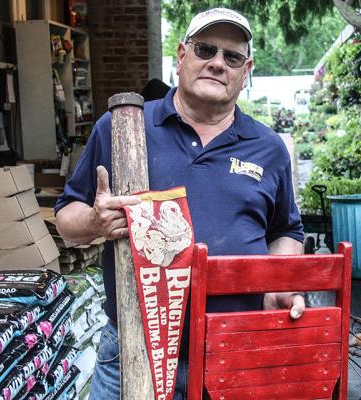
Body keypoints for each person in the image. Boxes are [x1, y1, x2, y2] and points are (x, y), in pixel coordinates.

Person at [55, 7, 305, 399]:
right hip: (132, 353)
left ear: (246, 69)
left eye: (232, 56)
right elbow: (66, 219)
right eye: (206, 49)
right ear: (181, 55)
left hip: (235, 350)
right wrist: (94, 221)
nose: (218, 63)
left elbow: (286, 230)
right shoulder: (124, 127)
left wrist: (278, 282)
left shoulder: (268, 148)